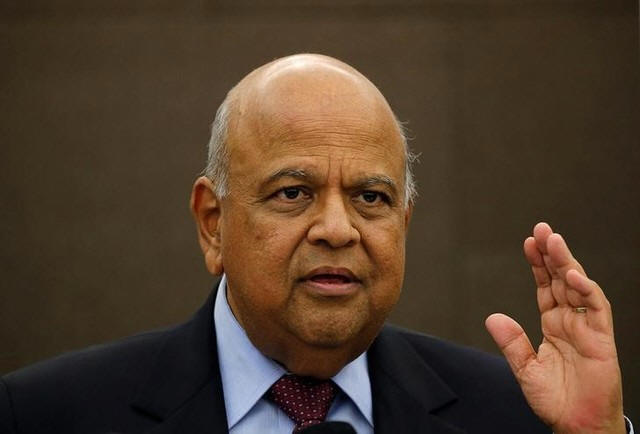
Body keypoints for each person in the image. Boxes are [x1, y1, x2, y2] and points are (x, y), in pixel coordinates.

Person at [0, 54, 630, 434]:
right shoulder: (44, 415)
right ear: (213, 223)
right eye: (293, 193)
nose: (337, 229)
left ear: (404, 223)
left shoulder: (518, 416)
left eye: (371, 197)